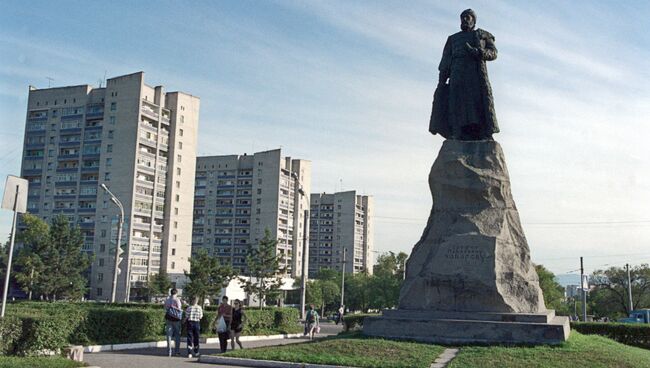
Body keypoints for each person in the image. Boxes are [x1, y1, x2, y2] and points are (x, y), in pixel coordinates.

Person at [430, 8, 499, 141]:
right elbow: (445, 61)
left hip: (475, 75)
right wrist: (442, 80)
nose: (465, 20)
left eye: (468, 17)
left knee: (477, 102)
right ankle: (457, 132)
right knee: (456, 103)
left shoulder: (482, 35)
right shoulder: (453, 39)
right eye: (463, 17)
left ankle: (483, 132)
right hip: (457, 74)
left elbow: (493, 53)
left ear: (474, 20)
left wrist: (480, 52)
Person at [164, 288, 183, 357]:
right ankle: (177, 351)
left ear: (171, 293)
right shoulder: (177, 300)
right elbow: (179, 309)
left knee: (169, 335)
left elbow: (165, 308)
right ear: (176, 293)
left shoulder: (167, 300)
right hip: (176, 319)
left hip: (169, 319)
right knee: (177, 335)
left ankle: (169, 351)